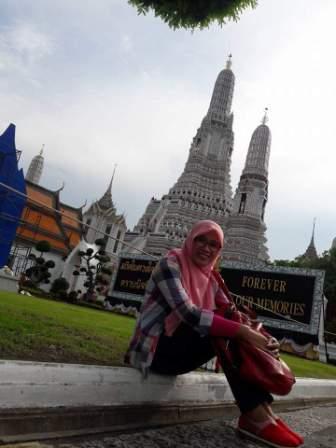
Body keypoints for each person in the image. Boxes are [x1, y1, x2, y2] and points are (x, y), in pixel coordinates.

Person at [125, 220, 303, 448]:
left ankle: (264, 413)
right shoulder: (169, 265)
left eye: (213, 245)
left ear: (219, 250)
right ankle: (255, 416)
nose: (206, 248)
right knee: (226, 331)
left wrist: (265, 338)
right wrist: (244, 333)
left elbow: (234, 314)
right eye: (201, 240)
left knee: (229, 325)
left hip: (181, 351)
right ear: (190, 239)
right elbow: (188, 313)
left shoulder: (211, 277)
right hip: (155, 353)